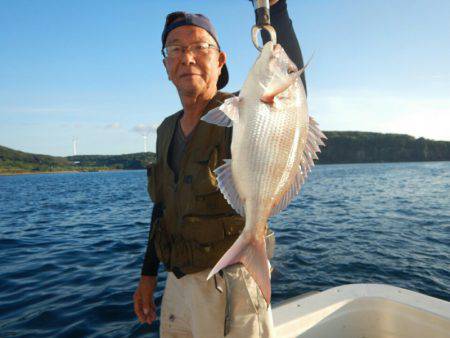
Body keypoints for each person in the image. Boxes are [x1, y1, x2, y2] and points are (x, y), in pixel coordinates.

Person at [133, 1, 306, 337]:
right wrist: (148, 275)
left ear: (220, 59)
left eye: (200, 47)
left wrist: (273, 10)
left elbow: (290, 91)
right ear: (166, 65)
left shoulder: (242, 111)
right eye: (176, 49)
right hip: (178, 285)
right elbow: (163, 208)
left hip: (233, 284)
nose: (187, 57)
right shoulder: (165, 130)